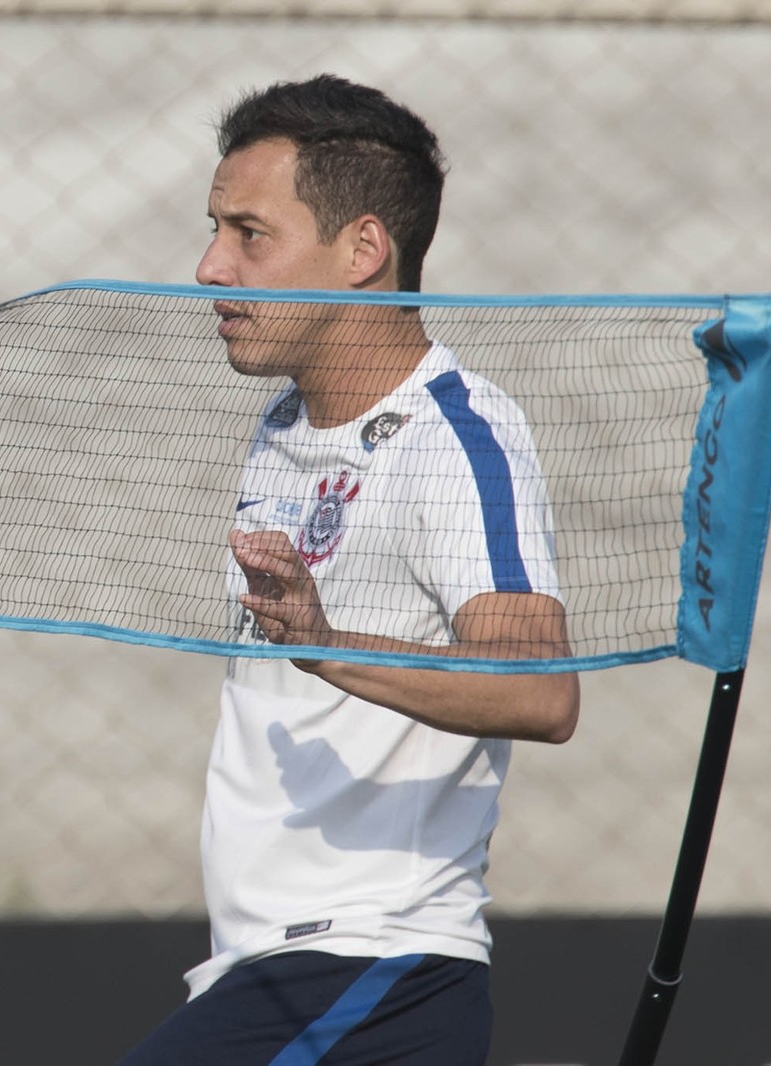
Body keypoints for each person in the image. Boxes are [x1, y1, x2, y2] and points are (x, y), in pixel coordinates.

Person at [121, 74, 579, 1066]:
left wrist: (324, 645)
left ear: (362, 251)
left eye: (250, 234)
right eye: (214, 229)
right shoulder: (284, 427)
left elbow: (538, 687)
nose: (209, 267)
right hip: (270, 971)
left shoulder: (459, 439)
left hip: (376, 974)